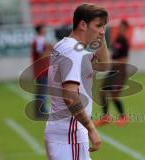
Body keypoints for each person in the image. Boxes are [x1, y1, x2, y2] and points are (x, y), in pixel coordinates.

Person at [45, 3, 109, 160]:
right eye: (98, 26)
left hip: (63, 132)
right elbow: (70, 96)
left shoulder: (65, 45)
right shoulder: (74, 51)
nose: (102, 31)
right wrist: (91, 128)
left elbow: (103, 65)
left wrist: (100, 36)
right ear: (82, 25)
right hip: (69, 133)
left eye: (104, 27)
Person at [94, 20, 130, 127]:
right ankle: (106, 117)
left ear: (126, 28)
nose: (120, 28)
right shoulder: (117, 39)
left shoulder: (124, 41)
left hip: (120, 70)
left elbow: (125, 59)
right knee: (102, 92)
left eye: (123, 27)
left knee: (114, 96)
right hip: (113, 69)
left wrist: (114, 62)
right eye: (120, 26)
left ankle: (123, 117)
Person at [31, 24, 52, 117]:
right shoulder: (39, 40)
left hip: (42, 68)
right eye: (44, 28)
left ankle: (39, 111)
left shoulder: (40, 40)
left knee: (41, 91)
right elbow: (41, 55)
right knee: (42, 91)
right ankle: (41, 111)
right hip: (42, 69)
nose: (46, 29)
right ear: (40, 30)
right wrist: (50, 51)